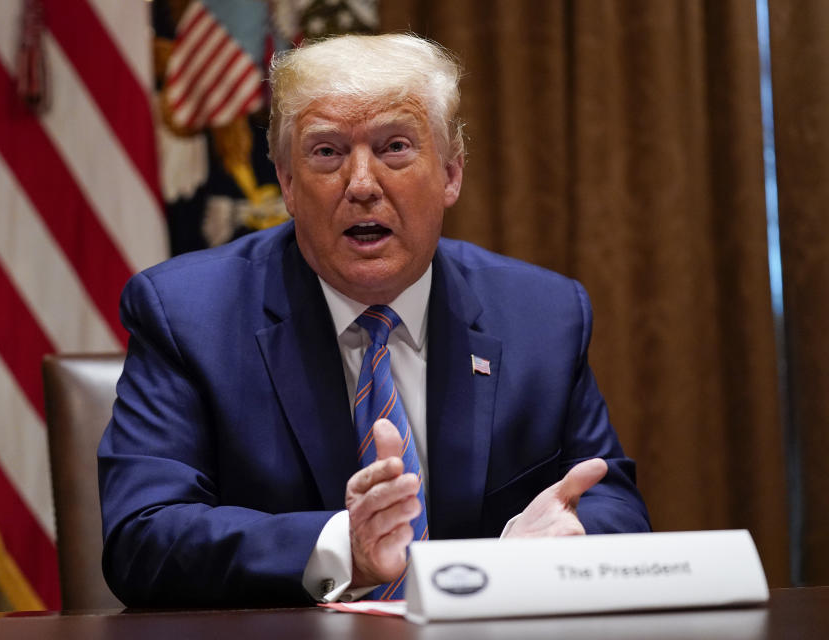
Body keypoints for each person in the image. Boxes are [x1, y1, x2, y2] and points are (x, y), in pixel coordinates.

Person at [98, 33, 650, 608]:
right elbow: (143, 535)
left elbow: (613, 503)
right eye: (327, 152)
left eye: (395, 147)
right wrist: (342, 547)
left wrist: (551, 544)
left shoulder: (543, 315)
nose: (361, 184)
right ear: (286, 181)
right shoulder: (186, 314)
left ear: (451, 174)